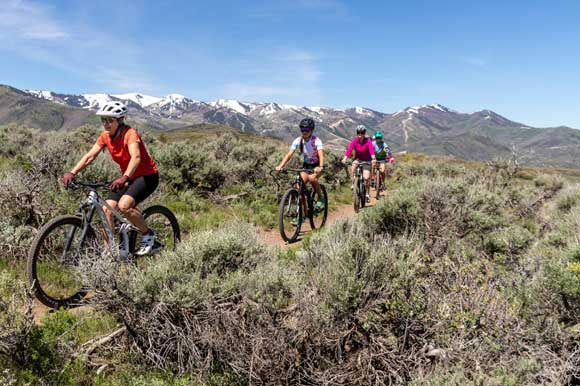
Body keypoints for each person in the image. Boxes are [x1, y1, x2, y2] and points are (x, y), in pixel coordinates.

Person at [61, 101, 160, 256]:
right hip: (128, 177)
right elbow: (90, 156)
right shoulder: (105, 137)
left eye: (109, 120)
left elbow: (136, 157)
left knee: (124, 206)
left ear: (119, 120)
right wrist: (72, 172)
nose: (105, 124)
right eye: (103, 120)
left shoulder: (130, 134)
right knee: (107, 208)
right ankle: (110, 252)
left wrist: (124, 177)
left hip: (147, 176)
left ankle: (148, 235)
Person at [276, 117, 325, 225]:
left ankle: (321, 198)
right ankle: (302, 215)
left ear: (311, 130)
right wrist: (280, 165)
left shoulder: (316, 140)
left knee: (312, 178)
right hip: (306, 166)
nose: (304, 132)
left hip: (317, 166)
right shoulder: (298, 140)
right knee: (299, 187)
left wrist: (320, 166)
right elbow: (289, 154)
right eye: (302, 130)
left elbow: (321, 154)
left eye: (306, 130)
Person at [342, 125, 376, 203]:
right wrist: (345, 158)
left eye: (362, 132)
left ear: (364, 133)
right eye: (358, 132)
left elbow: (371, 150)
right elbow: (349, 149)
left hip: (367, 160)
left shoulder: (368, 141)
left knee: (366, 178)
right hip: (358, 159)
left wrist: (373, 157)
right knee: (353, 167)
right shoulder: (355, 141)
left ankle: (367, 194)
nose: (360, 134)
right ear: (357, 133)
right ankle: (353, 183)